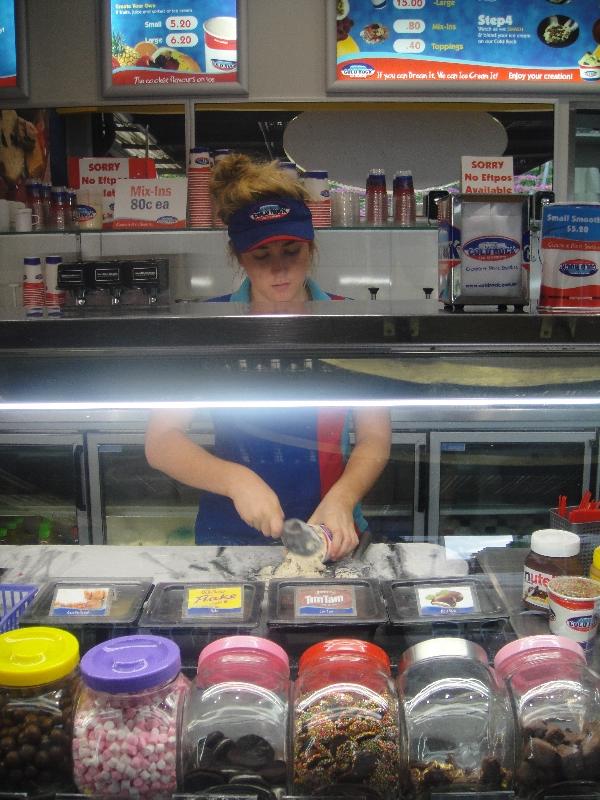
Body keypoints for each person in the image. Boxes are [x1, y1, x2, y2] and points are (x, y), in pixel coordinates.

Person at [145, 154, 391, 560]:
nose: (279, 270)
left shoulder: (347, 321)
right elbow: (161, 442)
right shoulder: (212, 325)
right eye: (262, 256)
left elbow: (374, 436)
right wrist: (235, 479)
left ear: (310, 247)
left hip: (331, 530)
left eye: (290, 251)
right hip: (231, 535)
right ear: (238, 256)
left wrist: (343, 499)